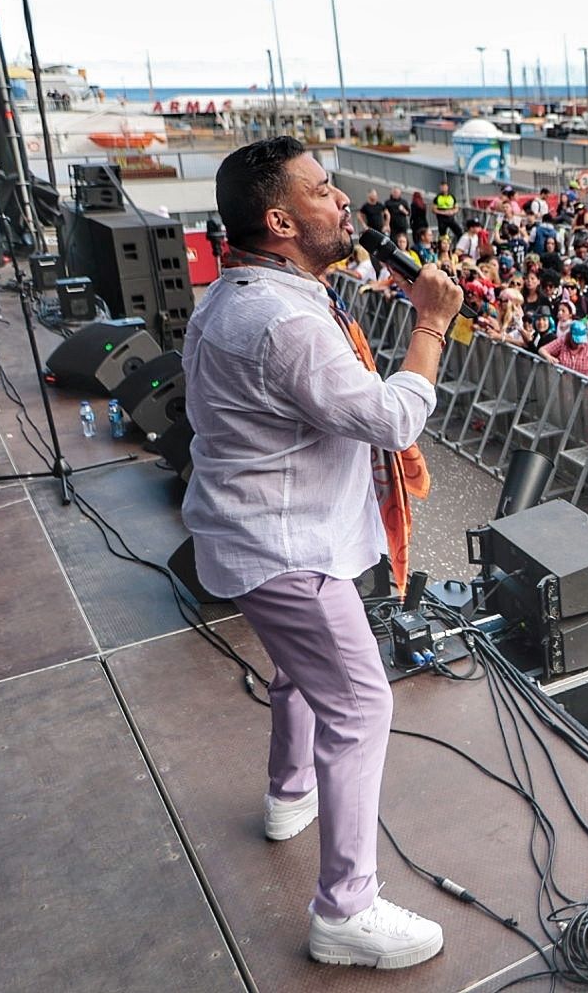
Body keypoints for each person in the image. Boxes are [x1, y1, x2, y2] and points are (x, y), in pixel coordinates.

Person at [184, 136, 458, 968]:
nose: (343, 202)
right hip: (286, 549)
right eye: (323, 190)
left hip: (266, 535)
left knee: (301, 671)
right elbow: (390, 419)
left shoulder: (246, 294)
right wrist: (432, 326)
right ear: (280, 220)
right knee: (362, 706)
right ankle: (345, 910)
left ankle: (289, 793)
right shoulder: (284, 323)